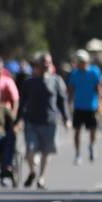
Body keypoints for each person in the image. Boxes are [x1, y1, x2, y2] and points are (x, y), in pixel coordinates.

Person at [18, 52, 69, 189]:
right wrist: (18, 120)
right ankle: (33, 172)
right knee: (30, 151)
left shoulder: (56, 80)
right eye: (43, 62)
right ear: (37, 65)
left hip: (50, 121)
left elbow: (61, 101)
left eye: (48, 62)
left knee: (46, 152)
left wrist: (66, 118)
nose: (46, 65)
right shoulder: (29, 82)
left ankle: (41, 178)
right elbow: (22, 103)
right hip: (32, 121)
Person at [66, 49, 102, 165]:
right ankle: (77, 154)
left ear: (86, 61)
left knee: (93, 130)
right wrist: (69, 105)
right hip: (78, 107)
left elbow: (98, 89)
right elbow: (71, 90)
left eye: (82, 61)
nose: (80, 63)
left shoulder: (94, 72)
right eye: (78, 61)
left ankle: (92, 146)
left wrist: (100, 104)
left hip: (91, 106)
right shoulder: (74, 74)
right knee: (77, 131)